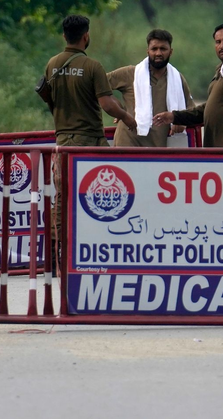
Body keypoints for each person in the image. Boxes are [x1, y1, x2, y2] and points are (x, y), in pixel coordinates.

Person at [43, 14, 136, 267]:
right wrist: (127, 117)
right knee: (101, 197)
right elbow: (107, 104)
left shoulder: (52, 64)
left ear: (64, 36)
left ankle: (53, 256)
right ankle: (95, 249)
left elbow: (48, 98)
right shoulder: (93, 66)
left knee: (62, 198)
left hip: (63, 141)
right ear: (86, 36)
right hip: (91, 143)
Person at [153, 24, 223, 147]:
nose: (222, 46)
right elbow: (208, 109)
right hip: (216, 147)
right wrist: (174, 116)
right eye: (218, 42)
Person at [107, 29, 196, 147]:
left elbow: (192, 111)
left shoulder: (178, 79)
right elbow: (96, 85)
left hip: (158, 148)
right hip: (127, 143)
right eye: (154, 49)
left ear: (171, 52)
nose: (158, 53)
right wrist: (118, 110)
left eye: (163, 49)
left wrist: (181, 121)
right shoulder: (130, 73)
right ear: (148, 51)